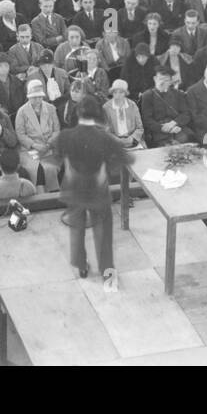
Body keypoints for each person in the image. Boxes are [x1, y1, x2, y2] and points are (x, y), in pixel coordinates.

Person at [51, 100, 131, 289]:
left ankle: (81, 266)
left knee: (76, 228)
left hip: (74, 188)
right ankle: (107, 274)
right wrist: (107, 169)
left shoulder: (65, 136)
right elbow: (127, 158)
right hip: (98, 189)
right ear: (98, 116)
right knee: (104, 232)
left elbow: (55, 158)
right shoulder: (106, 138)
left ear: (78, 115)